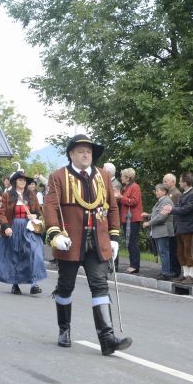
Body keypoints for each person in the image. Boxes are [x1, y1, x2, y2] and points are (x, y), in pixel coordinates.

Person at [44, 134, 131, 356]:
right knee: (65, 287)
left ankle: (107, 339)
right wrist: (54, 232)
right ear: (71, 154)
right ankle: (64, 330)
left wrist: (114, 237)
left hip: (97, 241)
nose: (86, 155)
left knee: (100, 285)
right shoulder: (58, 176)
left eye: (89, 152)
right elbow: (50, 206)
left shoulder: (103, 175)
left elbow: (112, 207)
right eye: (81, 151)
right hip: (70, 241)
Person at [0, 170, 46, 295]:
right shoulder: (7, 195)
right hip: (13, 227)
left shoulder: (31, 195)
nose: (23, 182)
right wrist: (6, 227)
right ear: (15, 182)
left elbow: (39, 212)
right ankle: (15, 284)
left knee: (34, 252)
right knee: (15, 255)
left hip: (29, 227)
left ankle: (34, 284)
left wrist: (34, 215)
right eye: (20, 180)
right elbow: (1, 213)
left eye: (24, 180)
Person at [162, 172, 193, 283]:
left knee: (189, 251)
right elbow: (178, 207)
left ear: (185, 182)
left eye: (180, 181)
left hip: (189, 227)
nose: (179, 183)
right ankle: (185, 274)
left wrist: (171, 209)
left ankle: (191, 276)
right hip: (181, 227)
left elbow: (186, 209)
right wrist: (170, 209)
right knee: (181, 252)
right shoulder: (184, 194)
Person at [143, 184, 175, 279]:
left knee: (164, 252)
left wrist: (148, 223)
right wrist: (148, 215)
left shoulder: (167, 201)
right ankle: (164, 271)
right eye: (156, 190)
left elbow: (162, 217)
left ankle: (166, 273)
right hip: (158, 231)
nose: (156, 192)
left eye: (157, 191)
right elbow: (156, 214)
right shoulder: (160, 201)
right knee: (162, 253)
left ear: (164, 192)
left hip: (163, 231)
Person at [118, 168, 142, 273]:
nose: (121, 178)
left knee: (132, 242)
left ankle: (135, 265)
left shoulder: (135, 187)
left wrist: (121, 197)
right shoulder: (126, 187)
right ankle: (132, 264)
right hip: (126, 218)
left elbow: (134, 201)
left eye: (122, 176)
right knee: (129, 242)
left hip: (132, 218)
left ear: (128, 178)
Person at [163, 173, 181, 277]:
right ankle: (170, 268)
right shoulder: (168, 193)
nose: (164, 183)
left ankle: (175, 270)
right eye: (163, 181)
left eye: (166, 181)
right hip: (168, 225)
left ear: (173, 182)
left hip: (174, 225)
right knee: (169, 248)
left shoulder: (176, 193)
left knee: (174, 248)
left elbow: (177, 210)